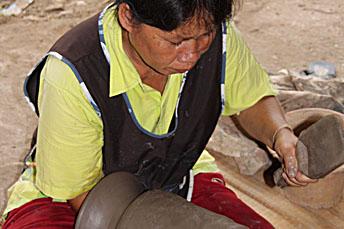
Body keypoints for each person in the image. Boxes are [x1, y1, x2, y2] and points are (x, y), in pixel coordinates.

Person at [1, 0, 317, 228]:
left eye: (203, 36)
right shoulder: (72, 73)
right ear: (127, 16)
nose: (191, 54)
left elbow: (250, 98)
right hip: (80, 196)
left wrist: (279, 133)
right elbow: (82, 195)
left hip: (176, 174)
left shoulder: (215, 35)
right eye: (175, 41)